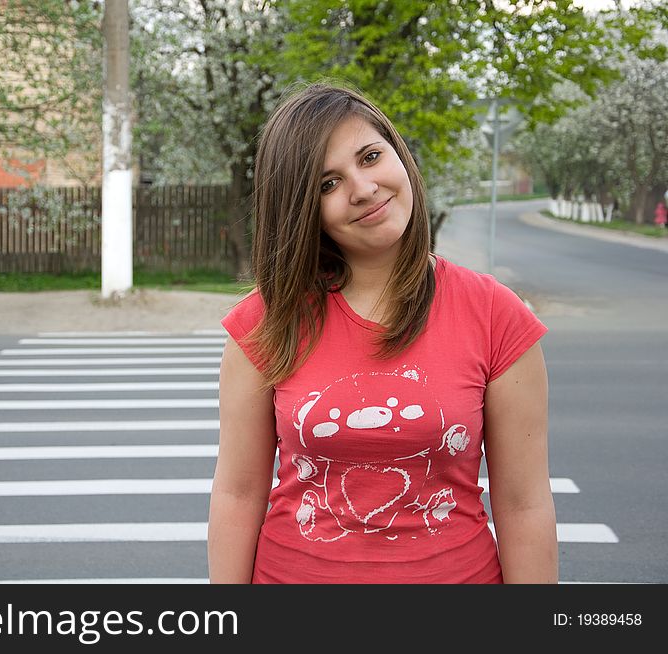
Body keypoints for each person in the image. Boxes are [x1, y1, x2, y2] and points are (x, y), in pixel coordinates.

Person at [208, 82, 557, 584]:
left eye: (370, 157)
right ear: (303, 210)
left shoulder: (496, 315)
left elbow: (524, 505)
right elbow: (238, 495)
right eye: (327, 184)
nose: (363, 188)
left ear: (399, 153)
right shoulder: (265, 322)